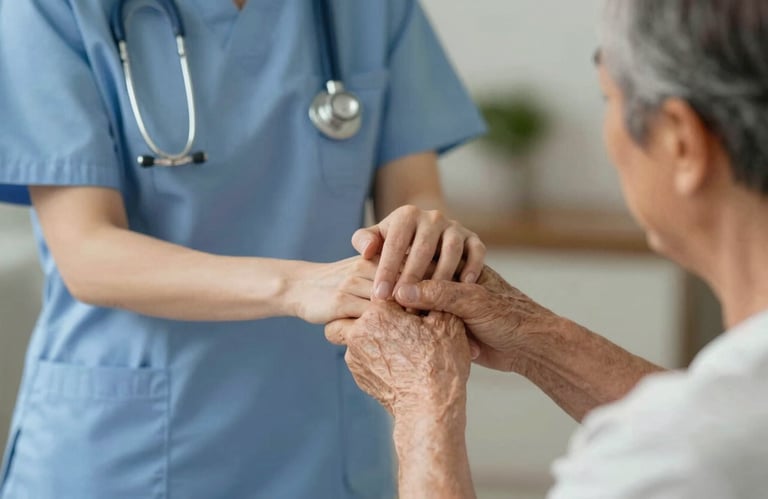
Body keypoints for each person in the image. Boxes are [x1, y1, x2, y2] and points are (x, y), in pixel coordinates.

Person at [0, 1, 487, 498]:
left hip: (322, 440)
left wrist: (426, 237)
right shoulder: (49, 8)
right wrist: (299, 286)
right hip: (128, 445)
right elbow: (87, 255)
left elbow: (413, 198)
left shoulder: (370, 9)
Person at [327, 0, 768, 497]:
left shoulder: (660, 467)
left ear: (681, 142)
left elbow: (700, 440)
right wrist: (533, 335)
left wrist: (422, 403)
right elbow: (716, 419)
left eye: (608, 98)